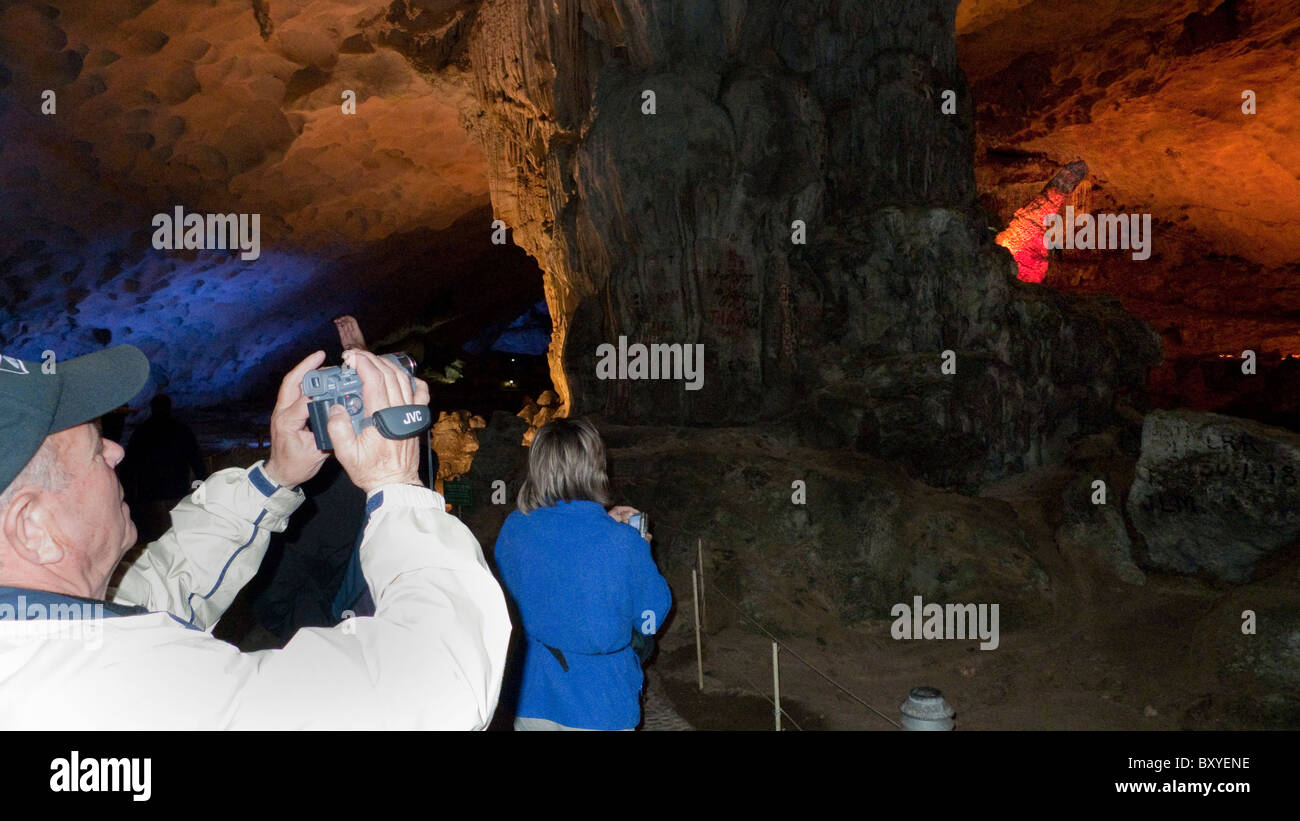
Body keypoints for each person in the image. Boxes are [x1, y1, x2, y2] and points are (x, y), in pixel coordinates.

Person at [0, 345, 510, 729]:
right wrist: (397, 487)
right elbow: (434, 684)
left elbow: (159, 592)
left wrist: (275, 476)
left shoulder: (43, 627)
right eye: (94, 450)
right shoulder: (118, 691)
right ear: (33, 528)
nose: (116, 452)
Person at [494, 417, 671, 731]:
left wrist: (603, 520)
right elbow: (651, 617)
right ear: (595, 467)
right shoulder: (624, 543)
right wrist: (638, 548)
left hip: (530, 696)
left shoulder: (513, 529)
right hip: (599, 704)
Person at [123, 393, 209, 543]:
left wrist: (130, 498)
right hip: (177, 492)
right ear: (169, 408)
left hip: (151, 495)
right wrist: (203, 486)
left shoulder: (142, 432)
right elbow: (196, 461)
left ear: (152, 408)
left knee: (157, 539)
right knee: (179, 538)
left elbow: (130, 467)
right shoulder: (181, 430)